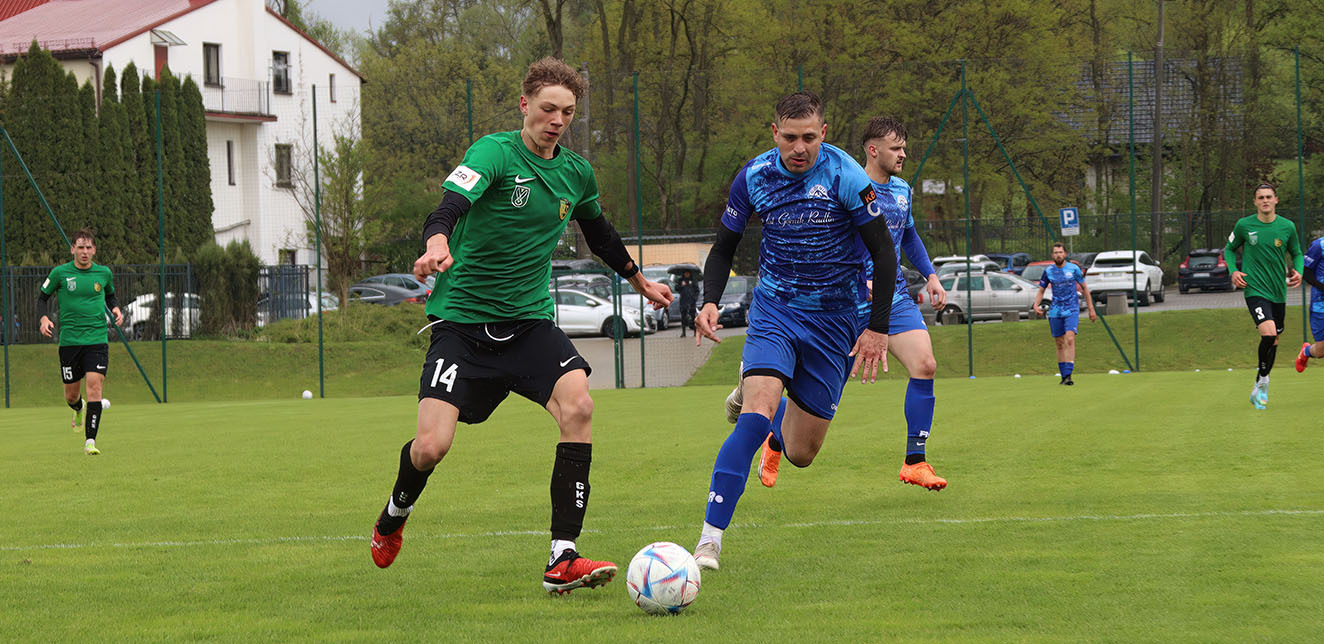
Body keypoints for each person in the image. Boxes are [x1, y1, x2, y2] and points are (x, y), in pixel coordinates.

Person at [368, 57, 673, 595]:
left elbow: (599, 233)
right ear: (525, 104)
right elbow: (448, 207)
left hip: (530, 322)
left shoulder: (576, 173)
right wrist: (437, 243)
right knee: (431, 447)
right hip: (462, 326)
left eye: (568, 112)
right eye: (548, 108)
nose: (557, 120)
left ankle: (563, 556)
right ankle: (394, 514)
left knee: (579, 406)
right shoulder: (493, 152)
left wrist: (639, 280)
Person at [692, 91, 898, 571]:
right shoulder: (754, 176)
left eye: (808, 137)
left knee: (802, 453)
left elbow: (884, 253)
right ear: (775, 133)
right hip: (776, 311)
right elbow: (723, 246)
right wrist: (709, 300)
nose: (799, 148)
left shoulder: (847, 176)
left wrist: (877, 328)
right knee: (756, 413)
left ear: (823, 133)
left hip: (835, 321)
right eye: (789, 138)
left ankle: (769, 402)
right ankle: (709, 540)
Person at [37, 229, 123, 455]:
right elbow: (42, 298)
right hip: (70, 342)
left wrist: (115, 308)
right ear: (72, 249)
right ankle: (78, 408)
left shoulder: (104, 273)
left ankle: (90, 442)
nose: (84, 251)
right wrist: (44, 318)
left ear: (94, 250)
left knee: (95, 386)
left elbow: (110, 295)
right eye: (80, 247)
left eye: (88, 247)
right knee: (71, 396)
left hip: (97, 339)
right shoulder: (59, 273)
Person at [1225, 183, 1302, 408]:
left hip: (1278, 291)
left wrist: (1299, 270)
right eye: (1261, 197)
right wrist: (1233, 271)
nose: (1265, 200)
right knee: (1268, 334)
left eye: (1269, 196)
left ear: (1276, 200)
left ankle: (1259, 384)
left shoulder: (1287, 226)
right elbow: (1229, 249)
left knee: (1275, 339)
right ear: (1255, 202)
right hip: (1255, 289)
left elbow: (1297, 253)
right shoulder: (1244, 225)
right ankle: (1263, 382)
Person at [1032, 242, 1098, 385]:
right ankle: (1063, 376)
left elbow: (1085, 288)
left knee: (1070, 339)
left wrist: (1091, 309)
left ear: (1065, 254)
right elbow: (1041, 290)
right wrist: (1036, 305)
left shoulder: (1073, 269)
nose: (1058, 255)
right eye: (1056, 253)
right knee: (1059, 343)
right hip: (1055, 310)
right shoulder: (1048, 271)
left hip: (1072, 309)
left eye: (1060, 252)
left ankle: (1068, 375)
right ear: (1052, 255)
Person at [1295, 236, 1324, 373]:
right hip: (1320, 305)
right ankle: (1306, 351)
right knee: (1321, 351)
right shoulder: (1319, 245)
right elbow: (1305, 271)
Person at [676, 268, 698, 336]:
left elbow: (697, 290)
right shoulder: (680, 280)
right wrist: (681, 286)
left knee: (693, 316)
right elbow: (676, 288)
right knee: (683, 317)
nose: (686, 274)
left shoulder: (693, 280)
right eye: (685, 273)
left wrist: (695, 298)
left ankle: (695, 332)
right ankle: (683, 332)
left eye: (688, 273)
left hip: (691, 301)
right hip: (683, 301)